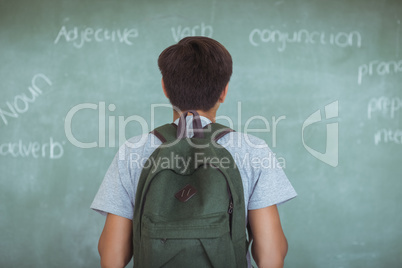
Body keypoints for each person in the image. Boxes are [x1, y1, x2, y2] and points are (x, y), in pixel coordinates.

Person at [91, 36, 297, 268]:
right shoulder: (252, 149)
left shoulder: (132, 151)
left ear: (165, 88)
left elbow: (111, 257)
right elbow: (271, 255)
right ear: (224, 92)